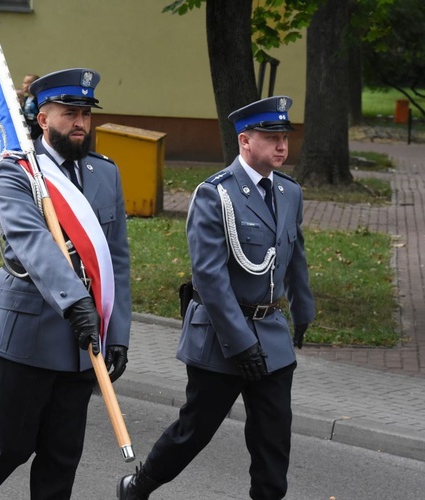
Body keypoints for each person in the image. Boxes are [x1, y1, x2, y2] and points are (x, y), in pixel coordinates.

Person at [0, 68, 131, 500]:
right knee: (10, 446)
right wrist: (76, 302)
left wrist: (117, 330)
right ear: (43, 117)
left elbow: (116, 259)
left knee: (62, 457)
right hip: (28, 336)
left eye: (85, 113)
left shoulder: (105, 173)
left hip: (84, 342)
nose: (81, 122)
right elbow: (31, 244)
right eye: (70, 113)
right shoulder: (17, 171)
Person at [117, 96, 316, 500]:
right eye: (271, 137)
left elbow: (295, 255)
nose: (282, 146)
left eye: (285, 137)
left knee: (273, 440)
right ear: (245, 141)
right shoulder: (216, 194)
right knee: (194, 431)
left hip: (272, 338)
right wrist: (241, 343)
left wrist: (303, 309)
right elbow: (209, 276)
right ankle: (139, 486)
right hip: (221, 339)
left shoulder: (289, 192)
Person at [21, 73, 41, 139]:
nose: (23, 85)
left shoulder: (38, 99)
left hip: (37, 128)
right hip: (28, 126)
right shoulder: (26, 99)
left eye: (25, 83)